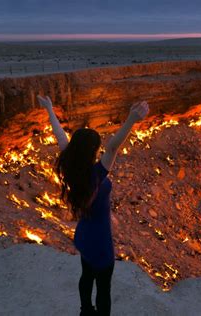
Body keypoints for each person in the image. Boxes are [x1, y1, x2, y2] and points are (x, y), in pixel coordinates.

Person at [37, 95, 149, 316]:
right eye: (97, 149)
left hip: (84, 236)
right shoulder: (97, 174)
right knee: (104, 289)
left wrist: (49, 109)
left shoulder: (71, 168)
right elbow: (114, 147)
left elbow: (60, 137)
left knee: (86, 276)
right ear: (92, 152)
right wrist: (131, 119)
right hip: (100, 242)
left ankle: (85, 311)